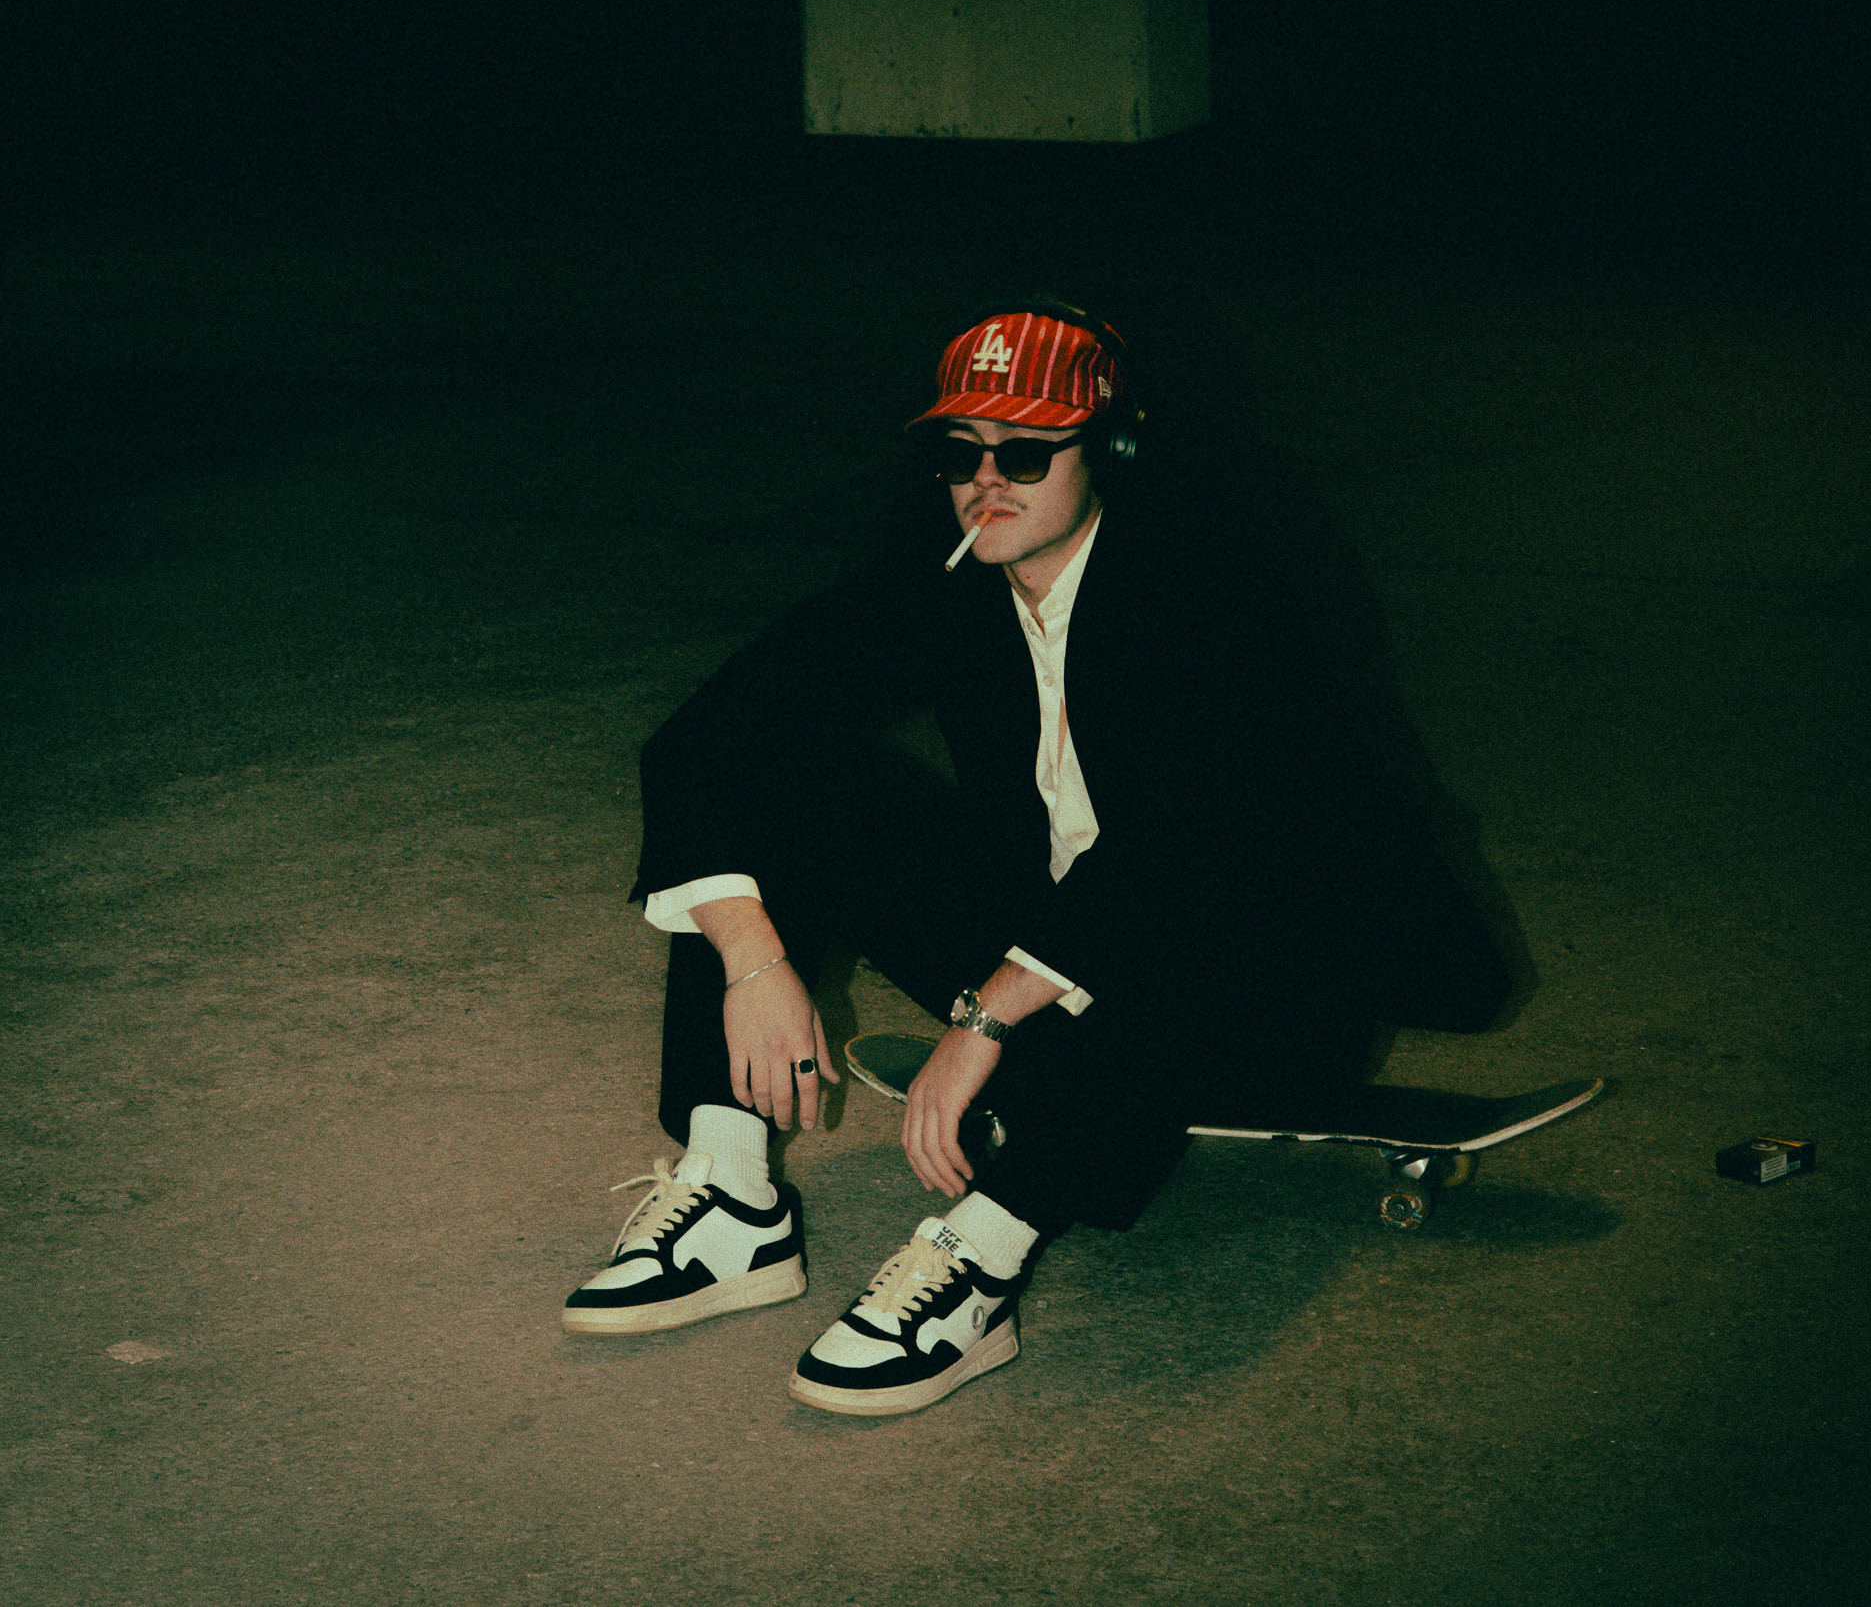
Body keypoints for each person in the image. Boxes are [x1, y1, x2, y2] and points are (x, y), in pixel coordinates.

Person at [561, 300, 1511, 1416]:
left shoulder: (1211, 584)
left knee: (1179, 927)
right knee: (775, 775)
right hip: (1054, 928)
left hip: (1266, 976)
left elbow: (1180, 845)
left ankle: (981, 1253)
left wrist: (984, 1024)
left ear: (1109, 452)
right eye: (957, 452)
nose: (984, 480)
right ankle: (731, 1194)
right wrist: (751, 958)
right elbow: (707, 734)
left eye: (1022, 450)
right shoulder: (954, 566)